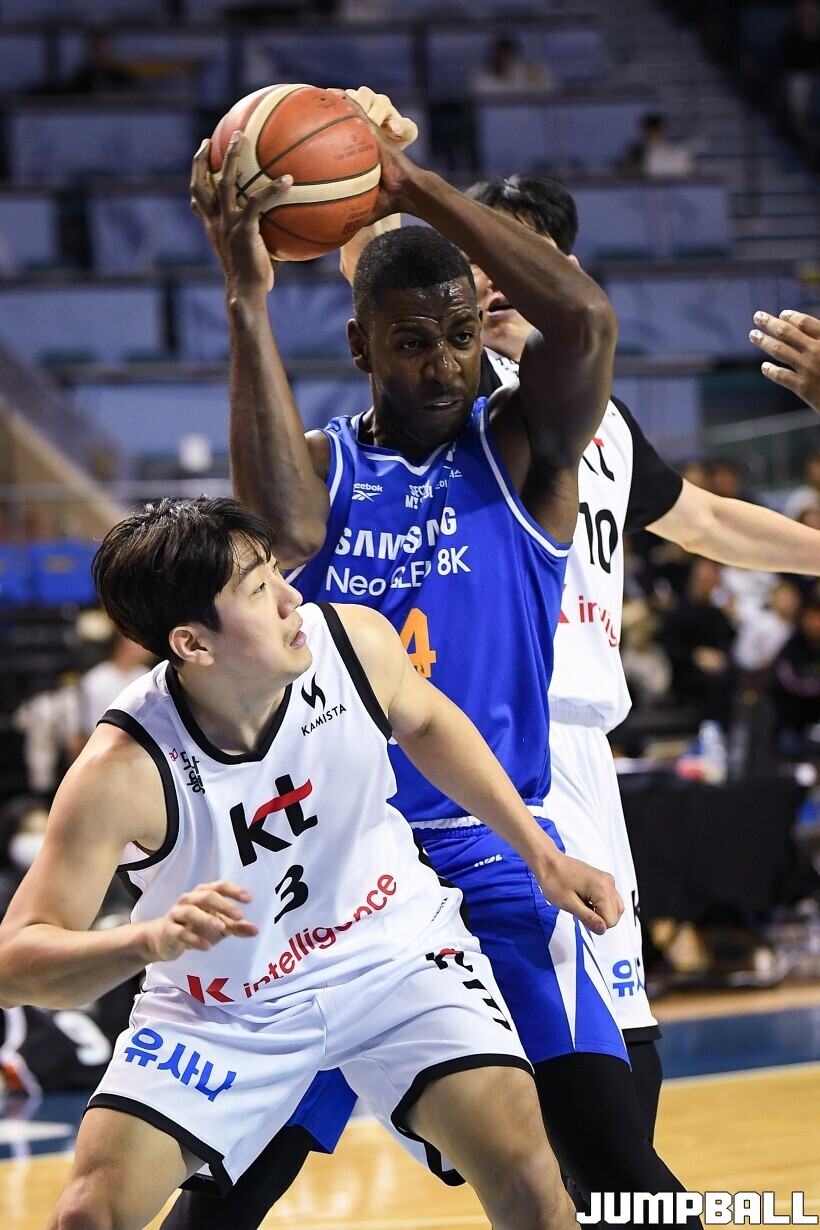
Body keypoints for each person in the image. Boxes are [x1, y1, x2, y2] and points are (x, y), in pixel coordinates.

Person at [181, 93, 702, 1230]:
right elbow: (281, 524)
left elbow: (584, 321)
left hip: (493, 848)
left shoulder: (524, 452)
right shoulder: (322, 472)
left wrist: (404, 181)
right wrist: (246, 299)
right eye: (412, 343)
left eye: (460, 337)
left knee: (612, 1166)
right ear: (361, 346)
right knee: (227, 1192)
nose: (446, 364)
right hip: (337, 872)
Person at [0, 495, 624, 1230]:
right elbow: (14, 964)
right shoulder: (122, 769)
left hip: (395, 956)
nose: (291, 598)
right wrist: (145, 940)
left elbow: (427, 720)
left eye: (275, 572)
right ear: (193, 644)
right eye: (258, 590)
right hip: (227, 1006)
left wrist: (542, 854)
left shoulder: (352, 643)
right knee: (88, 1217)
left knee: (530, 1180)